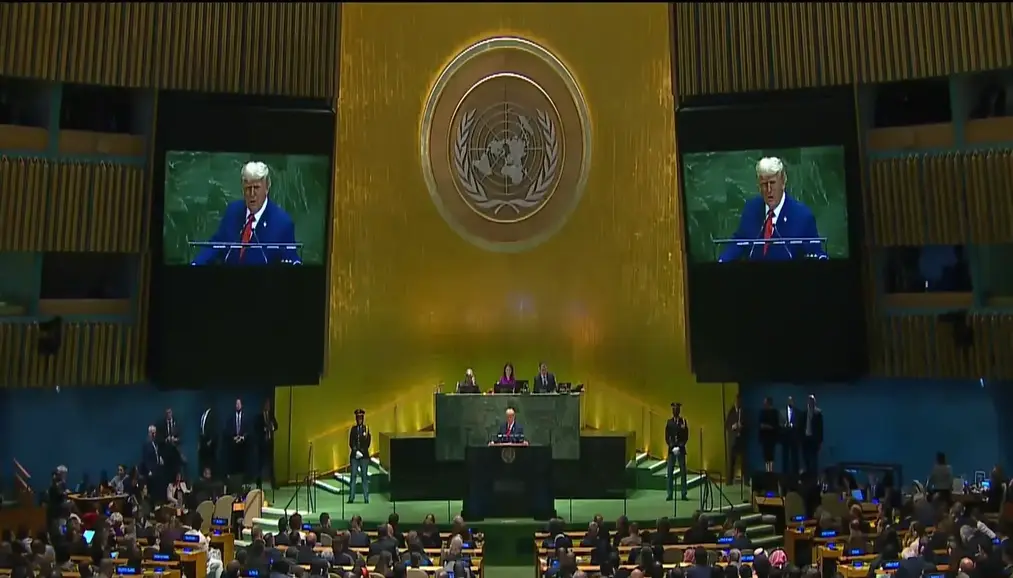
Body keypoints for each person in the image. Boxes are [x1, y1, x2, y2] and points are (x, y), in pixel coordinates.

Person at [718, 157, 827, 262]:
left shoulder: (803, 216)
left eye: (773, 183)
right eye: (764, 184)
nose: (769, 190)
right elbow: (739, 242)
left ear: (783, 182)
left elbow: (815, 253)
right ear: (759, 186)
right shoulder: (751, 209)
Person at [191, 161, 300, 266]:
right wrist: (196, 263)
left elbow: (290, 258)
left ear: (267, 187)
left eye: (256, 188)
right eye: (248, 188)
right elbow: (216, 244)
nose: (252, 194)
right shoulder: (233, 211)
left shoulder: (282, 223)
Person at [665, 402, 689, 501]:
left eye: (677, 409)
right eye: (674, 409)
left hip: (681, 449)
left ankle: (684, 493)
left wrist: (680, 446)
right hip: (672, 450)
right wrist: (672, 446)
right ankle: (670, 493)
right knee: (670, 472)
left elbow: (686, 436)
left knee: (683, 472)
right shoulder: (669, 422)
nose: (676, 411)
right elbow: (667, 436)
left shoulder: (683, 421)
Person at [348, 409, 371, 504]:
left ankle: (366, 497)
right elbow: (351, 442)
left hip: (364, 456)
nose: (359, 420)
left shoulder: (366, 429)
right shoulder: (353, 429)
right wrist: (355, 450)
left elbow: (368, 442)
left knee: (364, 477)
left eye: (361, 418)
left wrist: (361, 451)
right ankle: (351, 497)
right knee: (353, 477)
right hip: (354, 457)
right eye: (358, 418)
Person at [256, 399, 279, 490]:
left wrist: (271, 427)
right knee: (260, 465)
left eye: (269, 405)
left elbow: (276, 426)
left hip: (269, 443)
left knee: (271, 465)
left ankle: (273, 483)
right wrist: (264, 429)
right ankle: (259, 484)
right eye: (266, 405)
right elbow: (257, 428)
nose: (268, 406)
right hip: (262, 444)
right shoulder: (259, 417)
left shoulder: (271, 416)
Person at [800, 395, 824, 474]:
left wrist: (820, 441)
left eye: (812, 401)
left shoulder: (818, 414)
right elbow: (800, 427)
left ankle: (813, 477)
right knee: (806, 458)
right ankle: (807, 475)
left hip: (814, 440)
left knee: (813, 460)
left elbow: (820, 428)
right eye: (809, 401)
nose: (811, 403)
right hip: (805, 439)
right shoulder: (804, 413)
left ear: (814, 402)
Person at [725, 394, 746, 484]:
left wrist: (742, 426)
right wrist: (733, 426)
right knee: (732, 460)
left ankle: (745, 480)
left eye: (740, 402)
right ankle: (730, 480)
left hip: (741, 439)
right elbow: (726, 425)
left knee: (743, 461)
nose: (738, 403)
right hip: (733, 439)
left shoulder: (744, 412)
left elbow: (748, 424)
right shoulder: (731, 411)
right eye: (737, 401)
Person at [157, 408, 182, 479]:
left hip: (175, 452)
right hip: (165, 452)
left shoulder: (177, 423)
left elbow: (181, 438)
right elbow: (159, 438)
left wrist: (176, 439)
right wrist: (166, 439)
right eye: (167, 413)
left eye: (170, 412)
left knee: (177, 469)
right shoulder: (161, 424)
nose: (168, 414)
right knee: (166, 472)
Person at [757, 397, 779, 473]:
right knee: (765, 455)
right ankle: (767, 471)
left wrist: (768, 427)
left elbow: (776, 425)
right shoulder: (762, 412)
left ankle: (771, 471)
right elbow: (760, 425)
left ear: (769, 403)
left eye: (765, 402)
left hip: (772, 437)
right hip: (764, 437)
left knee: (771, 455)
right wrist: (766, 426)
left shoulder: (774, 412)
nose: (764, 404)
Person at [228, 399, 248, 479]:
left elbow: (249, 430)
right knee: (234, 463)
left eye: (239, 404)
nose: (237, 405)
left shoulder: (246, 417)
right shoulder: (231, 417)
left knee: (242, 463)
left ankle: (242, 479)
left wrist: (243, 437)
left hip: (243, 444)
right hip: (233, 444)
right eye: (236, 404)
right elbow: (228, 430)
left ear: (242, 405)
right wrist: (233, 437)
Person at [781, 396, 800, 475]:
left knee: (794, 457)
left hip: (794, 438)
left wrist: (793, 425)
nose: (790, 402)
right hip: (785, 437)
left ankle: (795, 473)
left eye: (791, 401)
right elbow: (779, 424)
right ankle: (785, 473)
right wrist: (784, 425)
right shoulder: (782, 412)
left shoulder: (798, 412)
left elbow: (800, 425)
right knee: (785, 457)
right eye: (789, 401)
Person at [198, 405, 217, 475]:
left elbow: (214, 428)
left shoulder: (212, 415)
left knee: (209, 461)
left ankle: (210, 476)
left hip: (209, 442)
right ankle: (204, 475)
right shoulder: (203, 415)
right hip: (203, 441)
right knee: (203, 461)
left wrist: (211, 440)